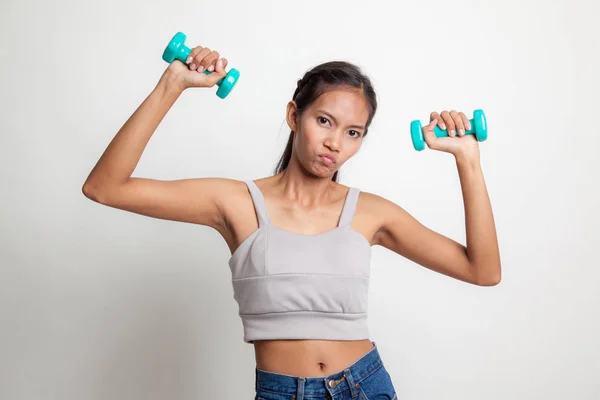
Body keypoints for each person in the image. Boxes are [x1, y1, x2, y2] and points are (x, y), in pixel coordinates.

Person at [82, 43, 501, 400]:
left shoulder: (372, 212)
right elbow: (105, 187)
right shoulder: (236, 202)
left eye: (354, 132)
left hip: (365, 385)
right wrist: (171, 85)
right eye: (324, 121)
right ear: (293, 116)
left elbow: (482, 271)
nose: (335, 143)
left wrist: (468, 160)